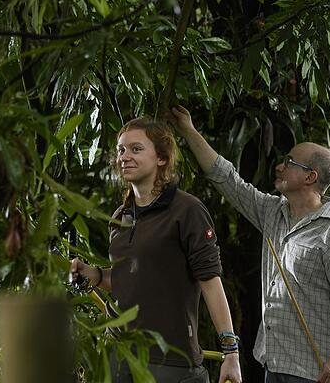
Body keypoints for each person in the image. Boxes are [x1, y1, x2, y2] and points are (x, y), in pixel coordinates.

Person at [168, 105, 330, 383]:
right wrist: (188, 130)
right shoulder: (273, 212)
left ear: (311, 177)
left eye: (289, 162)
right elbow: (227, 179)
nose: (279, 166)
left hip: (315, 371)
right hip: (271, 361)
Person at [71, 117, 242, 383]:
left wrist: (231, 352)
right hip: (119, 352)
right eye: (121, 150)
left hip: (170, 360)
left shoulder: (187, 210)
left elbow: (210, 281)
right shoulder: (121, 215)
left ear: (161, 158)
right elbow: (128, 279)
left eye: (136, 149)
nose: (124, 156)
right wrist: (93, 274)